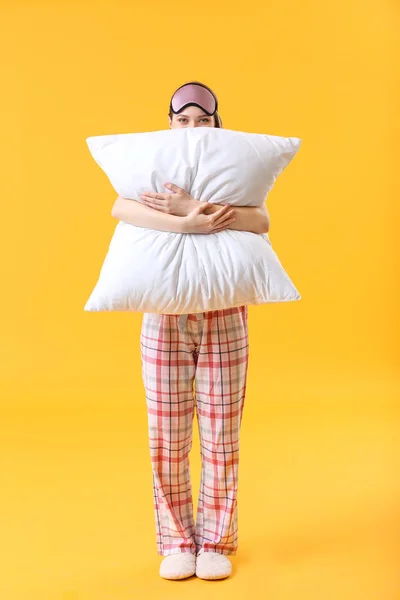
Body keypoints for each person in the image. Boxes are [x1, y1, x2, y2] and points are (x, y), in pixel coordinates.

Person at [111, 81, 270, 581]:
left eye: (204, 120)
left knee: (222, 431)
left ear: (217, 124)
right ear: (171, 123)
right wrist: (185, 225)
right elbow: (120, 207)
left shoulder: (232, 171)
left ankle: (217, 540)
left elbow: (260, 220)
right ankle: (178, 539)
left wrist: (189, 206)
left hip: (225, 314)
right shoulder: (153, 166)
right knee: (168, 432)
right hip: (164, 316)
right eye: (184, 120)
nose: (194, 129)